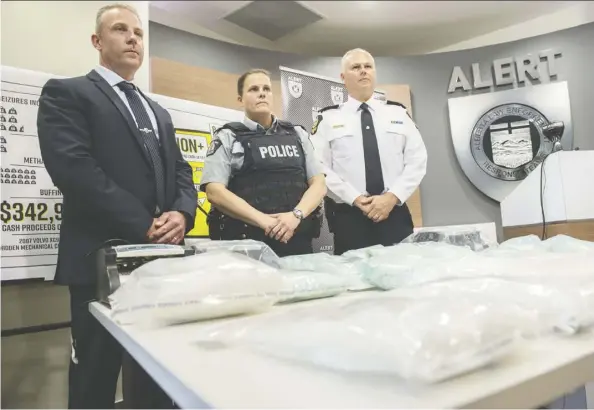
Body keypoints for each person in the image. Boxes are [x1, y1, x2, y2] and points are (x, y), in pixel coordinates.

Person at [36, 4, 196, 408]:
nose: (132, 38)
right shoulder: (67, 93)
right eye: (120, 30)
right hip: (99, 262)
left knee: (157, 377)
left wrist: (181, 213)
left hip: (159, 263)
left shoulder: (157, 111)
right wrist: (144, 223)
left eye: (138, 33)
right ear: (97, 41)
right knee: (95, 377)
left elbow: (181, 172)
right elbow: (75, 169)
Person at [311, 48, 427, 255]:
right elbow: (318, 167)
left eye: (368, 67)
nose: (363, 71)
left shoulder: (398, 113)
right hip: (350, 216)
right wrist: (355, 198)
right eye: (356, 67)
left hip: (394, 213)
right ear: (343, 78)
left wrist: (392, 197)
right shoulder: (327, 119)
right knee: (354, 281)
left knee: (403, 277)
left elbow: (417, 160)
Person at [201, 68, 327, 257]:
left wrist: (295, 216)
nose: (262, 93)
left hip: (297, 242)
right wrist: (265, 222)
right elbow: (214, 192)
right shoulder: (227, 137)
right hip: (247, 246)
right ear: (240, 99)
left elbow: (319, 184)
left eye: (266, 89)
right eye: (253, 89)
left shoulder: (297, 134)